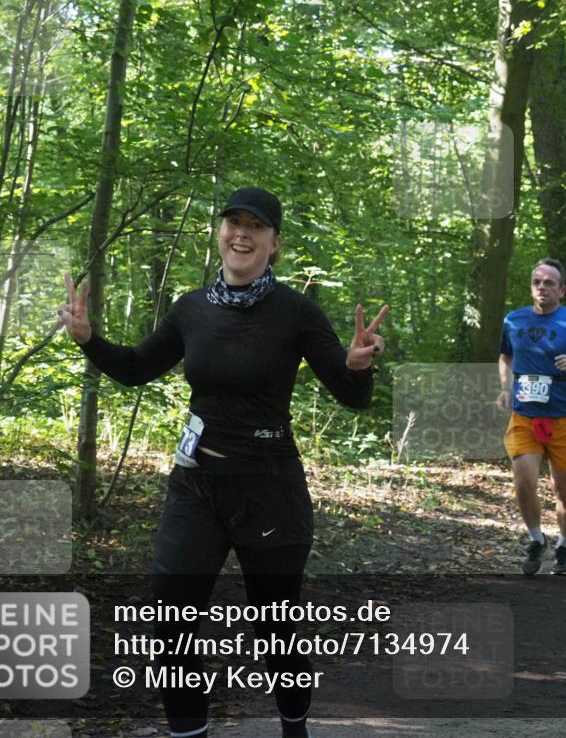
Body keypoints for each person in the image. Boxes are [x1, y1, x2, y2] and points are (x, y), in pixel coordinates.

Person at [57, 186, 388, 738]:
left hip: (269, 488)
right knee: (170, 625)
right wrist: (89, 339)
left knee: (275, 631)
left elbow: (351, 396)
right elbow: (138, 367)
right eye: (232, 222)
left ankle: (294, 727)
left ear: (274, 243)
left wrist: (357, 366)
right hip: (197, 486)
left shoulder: (296, 312)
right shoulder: (191, 308)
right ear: (219, 233)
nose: (241, 233)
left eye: (255, 226)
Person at [497, 258, 566, 576]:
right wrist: (506, 388)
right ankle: (535, 539)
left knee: (563, 487)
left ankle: (565, 545)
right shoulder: (513, 320)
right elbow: (505, 356)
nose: (541, 287)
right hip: (525, 415)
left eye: (548, 283)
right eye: (536, 282)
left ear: (562, 289)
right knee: (524, 480)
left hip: (564, 415)